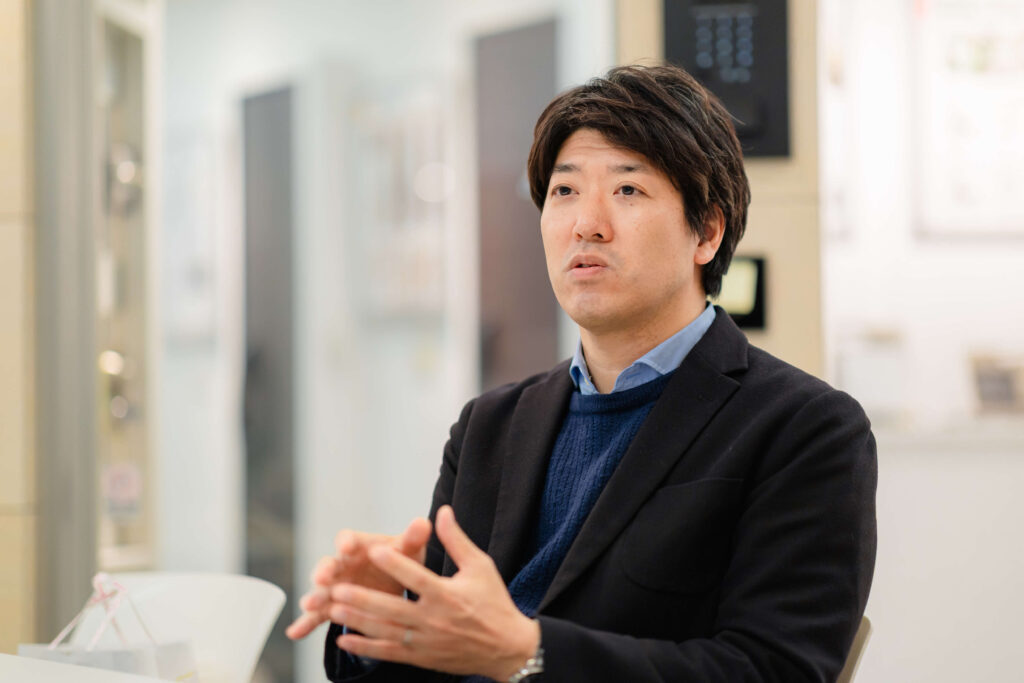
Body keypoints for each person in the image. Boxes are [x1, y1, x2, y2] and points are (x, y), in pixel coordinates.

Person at [286, 63, 877, 683]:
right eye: (564, 191)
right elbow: (441, 658)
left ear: (706, 231)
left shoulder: (804, 429)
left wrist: (528, 653)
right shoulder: (489, 426)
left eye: (628, 190)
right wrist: (380, 622)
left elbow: (773, 670)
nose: (585, 223)